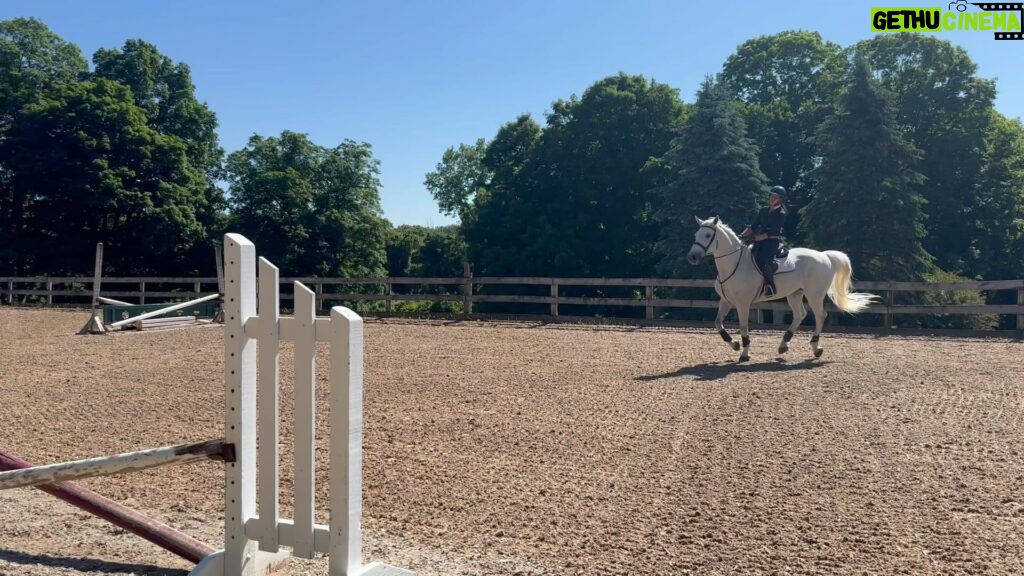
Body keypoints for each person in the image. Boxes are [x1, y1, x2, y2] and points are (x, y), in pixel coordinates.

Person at [740, 186, 788, 296]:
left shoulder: (781, 214)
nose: (772, 198)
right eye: (772, 196)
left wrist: (757, 237)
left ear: (780, 199)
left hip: (771, 242)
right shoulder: (763, 210)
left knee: (764, 262)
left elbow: (773, 232)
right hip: (759, 241)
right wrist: (742, 235)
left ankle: (770, 286)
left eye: (775, 197)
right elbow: (753, 225)